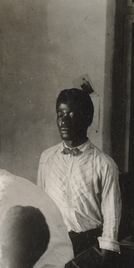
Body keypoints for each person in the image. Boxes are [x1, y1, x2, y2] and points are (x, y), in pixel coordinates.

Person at [37, 85, 122, 257]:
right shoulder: (47, 158)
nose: (63, 120)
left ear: (88, 118)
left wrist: (104, 255)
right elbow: (41, 203)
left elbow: (111, 216)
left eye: (70, 114)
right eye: (60, 114)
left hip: (88, 247)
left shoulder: (104, 164)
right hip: (53, 245)